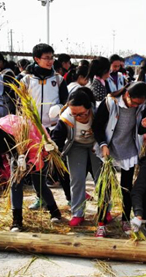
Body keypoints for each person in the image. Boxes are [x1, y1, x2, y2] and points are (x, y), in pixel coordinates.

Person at [0, 115, 63, 232]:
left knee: (39, 184)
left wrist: (29, 165)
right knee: (15, 183)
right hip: (16, 150)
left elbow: (36, 153)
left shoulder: (25, 130)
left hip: (39, 147)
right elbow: (1, 160)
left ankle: (55, 212)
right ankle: (17, 220)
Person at [92, 82, 146, 237]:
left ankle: (125, 219)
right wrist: (103, 144)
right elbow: (97, 126)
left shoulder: (140, 106)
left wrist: (144, 125)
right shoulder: (110, 102)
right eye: (134, 102)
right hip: (109, 149)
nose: (136, 106)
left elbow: (140, 128)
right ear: (127, 95)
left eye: (140, 103)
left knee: (126, 188)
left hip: (128, 148)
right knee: (106, 188)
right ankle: (101, 223)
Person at [20, 43, 70, 208]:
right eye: (46, 58)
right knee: (37, 166)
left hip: (54, 129)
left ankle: (71, 198)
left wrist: (59, 108)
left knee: (59, 164)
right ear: (36, 59)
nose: (50, 61)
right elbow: (19, 104)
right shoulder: (26, 80)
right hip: (33, 129)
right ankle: (40, 197)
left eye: (52, 57)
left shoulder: (58, 79)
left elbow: (66, 101)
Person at [50, 87, 102, 227]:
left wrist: (101, 146)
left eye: (82, 114)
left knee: (101, 179)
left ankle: (104, 212)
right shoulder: (66, 118)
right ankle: (77, 213)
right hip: (76, 146)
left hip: (96, 146)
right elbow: (57, 138)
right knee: (76, 179)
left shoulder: (97, 113)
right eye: (75, 114)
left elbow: (105, 132)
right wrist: (51, 149)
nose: (78, 117)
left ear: (89, 107)